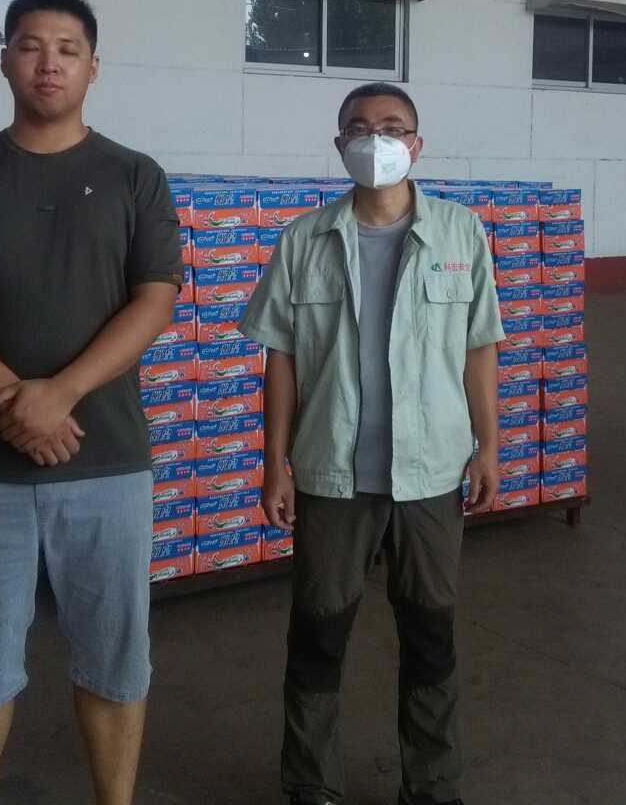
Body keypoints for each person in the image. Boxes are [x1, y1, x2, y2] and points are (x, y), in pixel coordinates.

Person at [0, 0, 182, 805]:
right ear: (4, 62)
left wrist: (62, 393)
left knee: (115, 658)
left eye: (67, 48)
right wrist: (14, 401)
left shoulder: (135, 176)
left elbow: (155, 298)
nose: (48, 63)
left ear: (94, 67)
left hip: (108, 462)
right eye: (29, 45)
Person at [240, 81, 504, 805]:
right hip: (332, 474)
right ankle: (311, 785)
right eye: (359, 127)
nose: (376, 138)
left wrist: (488, 446)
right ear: (339, 145)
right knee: (318, 636)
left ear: (417, 144)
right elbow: (281, 359)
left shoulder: (460, 233)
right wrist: (275, 465)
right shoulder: (304, 240)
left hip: (431, 474)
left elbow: (479, 346)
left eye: (392, 126)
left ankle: (433, 786)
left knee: (430, 636)